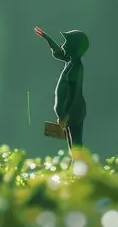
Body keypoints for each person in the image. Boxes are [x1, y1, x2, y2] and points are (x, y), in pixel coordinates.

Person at [34, 26, 89, 154]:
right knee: (72, 144)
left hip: (73, 112)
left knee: (75, 144)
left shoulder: (76, 67)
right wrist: (48, 39)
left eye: (66, 43)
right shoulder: (70, 62)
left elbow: (74, 93)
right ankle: (76, 168)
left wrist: (64, 114)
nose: (63, 46)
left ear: (74, 47)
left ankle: (79, 169)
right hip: (69, 113)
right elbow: (59, 53)